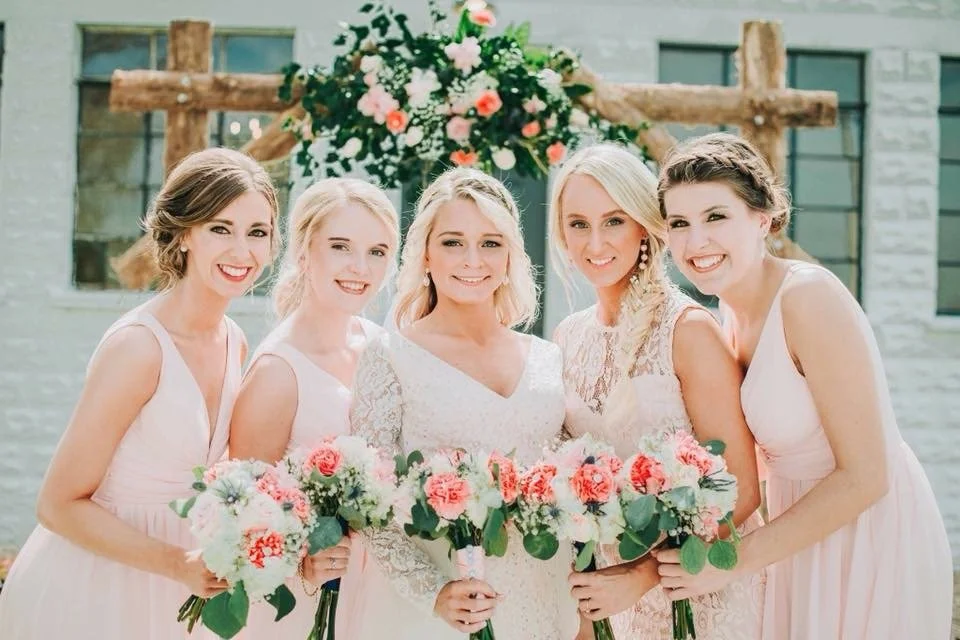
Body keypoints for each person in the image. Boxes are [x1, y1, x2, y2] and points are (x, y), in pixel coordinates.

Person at [655, 132, 953, 639]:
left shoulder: (807, 298)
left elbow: (868, 475)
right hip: (797, 537)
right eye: (679, 223)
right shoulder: (727, 311)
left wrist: (729, 561)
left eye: (716, 216)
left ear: (763, 218)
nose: (695, 241)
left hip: (867, 536)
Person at [0, 148, 279, 639]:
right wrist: (174, 563)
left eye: (257, 232)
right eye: (221, 229)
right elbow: (57, 504)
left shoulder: (234, 341)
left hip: (188, 585)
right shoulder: (138, 348)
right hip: (103, 585)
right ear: (184, 234)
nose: (242, 251)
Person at [350, 167, 579, 640]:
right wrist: (434, 592)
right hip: (442, 610)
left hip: (544, 597)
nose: (473, 260)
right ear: (425, 253)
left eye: (490, 243)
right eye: (453, 242)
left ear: (511, 254)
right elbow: (368, 501)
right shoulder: (391, 356)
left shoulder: (547, 357)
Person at [550, 143, 765, 639]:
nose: (595, 242)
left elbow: (743, 490)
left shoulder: (687, 330)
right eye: (578, 224)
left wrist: (643, 575)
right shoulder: (567, 337)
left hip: (697, 592)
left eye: (614, 221)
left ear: (644, 225)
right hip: (610, 601)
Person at [228, 177, 399, 637]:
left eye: (377, 251)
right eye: (341, 247)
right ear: (304, 252)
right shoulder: (277, 371)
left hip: (378, 589)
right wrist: (303, 559)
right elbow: (246, 515)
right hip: (309, 601)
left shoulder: (380, 345)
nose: (360, 267)